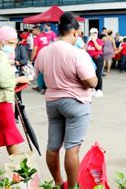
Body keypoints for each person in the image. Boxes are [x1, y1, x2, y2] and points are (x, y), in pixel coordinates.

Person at [35, 12, 97, 189]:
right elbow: (91, 81)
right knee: (72, 148)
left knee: (53, 146)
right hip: (76, 102)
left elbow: (37, 76)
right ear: (76, 32)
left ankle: (57, 182)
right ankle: (71, 187)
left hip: (52, 103)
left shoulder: (44, 51)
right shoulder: (78, 54)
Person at [0, 26, 29, 155]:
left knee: (1, 133)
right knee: (10, 135)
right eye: (11, 43)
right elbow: (4, 82)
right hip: (0, 101)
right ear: (1, 42)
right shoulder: (0, 56)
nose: (13, 46)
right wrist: (19, 79)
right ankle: (17, 169)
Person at [86, 28, 104, 97]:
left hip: (98, 59)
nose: (92, 35)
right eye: (91, 33)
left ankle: (99, 90)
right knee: (92, 74)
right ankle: (94, 89)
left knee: (98, 74)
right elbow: (86, 49)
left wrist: (94, 41)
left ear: (96, 33)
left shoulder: (99, 41)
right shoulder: (89, 41)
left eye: (93, 33)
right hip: (91, 59)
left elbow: (99, 48)